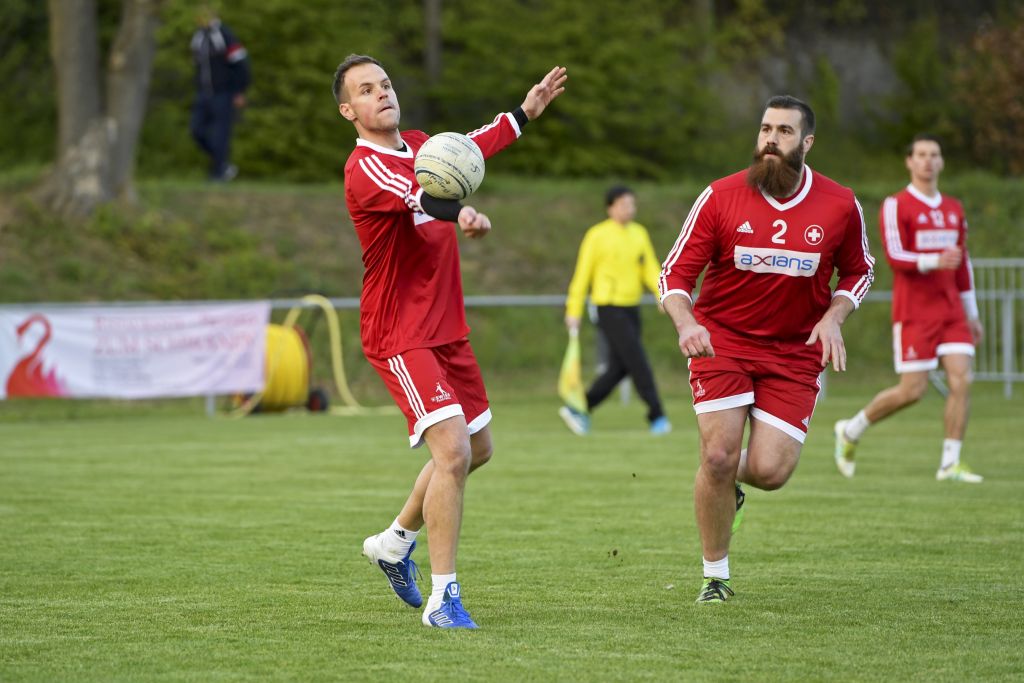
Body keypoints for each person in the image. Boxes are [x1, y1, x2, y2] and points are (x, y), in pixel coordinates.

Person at [333, 54, 566, 628]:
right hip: (399, 331)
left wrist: (524, 113)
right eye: (366, 90)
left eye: (385, 84)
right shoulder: (365, 168)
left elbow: (470, 147)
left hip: (446, 330)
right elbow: (419, 195)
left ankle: (393, 544)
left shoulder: (420, 144)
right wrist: (460, 213)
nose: (382, 93)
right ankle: (444, 600)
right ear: (348, 111)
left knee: (477, 449)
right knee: (454, 452)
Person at [659, 95, 875, 603]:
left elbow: (860, 270)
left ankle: (724, 486)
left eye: (783, 131)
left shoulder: (840, 203)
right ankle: (716, 577)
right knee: (718, 455)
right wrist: (686, 322)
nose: (770, 140)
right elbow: (675, 275)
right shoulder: (720, 196)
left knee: (771, 472)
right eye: (765, 129)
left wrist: (834, 316)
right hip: (724, 342)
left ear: (807, 142)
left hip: (795, 351)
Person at [833, 135, 984, 483]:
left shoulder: (954, 208)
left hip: (952, 312)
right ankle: (850, 430)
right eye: (921, 154)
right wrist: (934, 260)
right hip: (915, 312)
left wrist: (972, 313)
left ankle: (949, 464)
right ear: (910, 162)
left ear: (941, 162)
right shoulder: (896, 205)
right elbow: (895, 255)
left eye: (934, 154)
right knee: (912, 391)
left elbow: (962, 264)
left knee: (962, 379)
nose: (928, 161)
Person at [559, 185, 671, 436]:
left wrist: (662, 295)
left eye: (632, 204)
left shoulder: (639, 233)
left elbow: (650, 269)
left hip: (632, 308)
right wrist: (573, 309)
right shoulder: (596, 235)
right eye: (623, 205)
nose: (628, 209)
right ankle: (657, 415)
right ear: (610, 208)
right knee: (637, 360)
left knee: (619, 368)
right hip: (608, 307)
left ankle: (580, 408)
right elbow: (582, 275)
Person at [190, 6, 250, 181]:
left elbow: (241, 64)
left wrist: (239, 91)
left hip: (224, 93)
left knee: (220, 135)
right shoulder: (198, 37)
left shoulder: (224, 35)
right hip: (203, 93)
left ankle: (218, 173)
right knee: (196, 130)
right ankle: (222, 164)